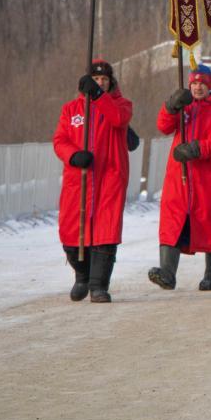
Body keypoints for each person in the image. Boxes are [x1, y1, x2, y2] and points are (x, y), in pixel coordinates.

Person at [52, 59, 133, 303]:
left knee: (105, 231)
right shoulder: (71, 109)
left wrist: (98, 96)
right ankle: (82, 276)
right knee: (71, 230)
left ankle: (99, 286)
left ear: (110, 83)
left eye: (104, 80)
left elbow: (118, 119)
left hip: (109, 177)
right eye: (96, 80)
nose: (100, 83)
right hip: (79, 179)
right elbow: (60, 140)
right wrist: (74, 156)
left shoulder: (121, 105)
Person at [148, 64, 211, 292]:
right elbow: (163, 126)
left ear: (209, 85)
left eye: (202, 83)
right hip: (178, 180)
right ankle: (167, 272)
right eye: (193, 83)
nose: (197, 87)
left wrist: (197, 149)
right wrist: (171, 107)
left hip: (207, 179)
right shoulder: (184, 107)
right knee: (173, 223)